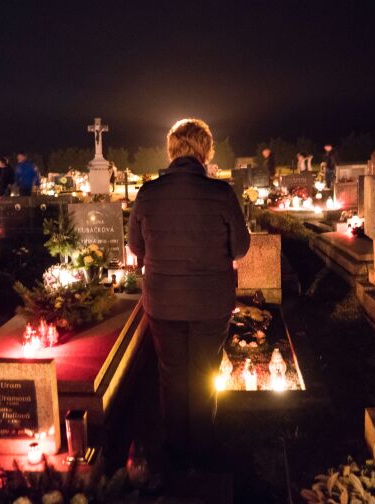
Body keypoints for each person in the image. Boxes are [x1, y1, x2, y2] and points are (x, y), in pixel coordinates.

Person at [128, 118, 250, 469]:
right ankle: (203, 447)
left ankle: (176, 448)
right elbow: (240, 249)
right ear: (205, 150)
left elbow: (136, 247)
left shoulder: (148, 193)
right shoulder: (220, 194)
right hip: (210, 302)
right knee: (203, 373)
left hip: (164, 301)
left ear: (172, 151)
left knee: (171, 373)